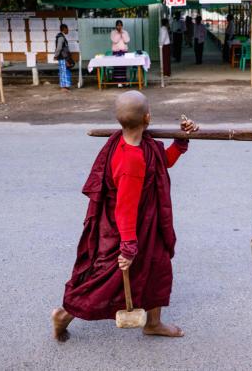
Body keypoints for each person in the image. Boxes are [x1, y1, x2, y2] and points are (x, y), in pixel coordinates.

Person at [51, 91, 199, 341]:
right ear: (148, 118)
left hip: (145, 225)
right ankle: (64, 315)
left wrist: (181, 141)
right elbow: (125, 207)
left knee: (156, 266)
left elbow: (161, 162)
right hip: (126, 229)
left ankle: (153, 323)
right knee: (106, 281)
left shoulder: (135, 143)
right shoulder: (131, 161)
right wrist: (128, 247)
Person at [111, 20, 130, 87]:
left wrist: (122, 33)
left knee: (123, 67)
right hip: (116, 51)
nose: (119, 26)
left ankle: (124, 81)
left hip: (124, 51)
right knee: (117, 67)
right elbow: (115, 41)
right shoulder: (113, 32)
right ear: (116, 26)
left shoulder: (125, 32)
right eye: (118, 25)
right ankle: (118, 82)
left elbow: (127, 41)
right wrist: (118, 34)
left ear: (122, 25)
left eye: (120, 25)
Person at [54, 24, 72, 92]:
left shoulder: (62, 37)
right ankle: (63, 87)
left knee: (65, 71)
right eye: (67, 29)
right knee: (63, 72)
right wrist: (56, 55)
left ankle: (66, 86)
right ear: (64, 29)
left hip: (64, 57)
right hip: (62, 57)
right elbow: (59, 48)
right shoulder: (60, 37)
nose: (68, 30)